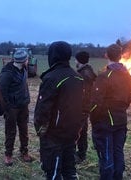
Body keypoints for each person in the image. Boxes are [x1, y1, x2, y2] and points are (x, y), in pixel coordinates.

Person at [34, 41, 83, 179]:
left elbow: (43, 110)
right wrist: (78, 127)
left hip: (54, 135)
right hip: (72, 132)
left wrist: (41, 131)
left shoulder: (52, 78)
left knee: (53, 170)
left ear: (53, 56)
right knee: (69, 169)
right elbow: (84, 107)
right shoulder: (77, 77)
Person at [90, 44, 131, 180]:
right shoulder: (128, 76)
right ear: (120, 56)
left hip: (105, 122)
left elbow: (96, 102)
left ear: (106, 55)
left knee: (107, 155)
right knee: (118, 152)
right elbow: (129, 99)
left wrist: (94, 118)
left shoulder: (104, 76)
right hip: (121, 120)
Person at [0, 49, 33, 165]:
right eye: (27, 59)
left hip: (23, 105)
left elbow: (24, 85)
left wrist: (26, 99)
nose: (28, 61)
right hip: (12, 108)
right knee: (10, 132)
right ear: (23, 61)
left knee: (24, 130)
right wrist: (8, 108)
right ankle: (8, 154)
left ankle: (24, 152)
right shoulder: (7, 73)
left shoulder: (24, 69)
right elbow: (2, 92)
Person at [74, 51, 96, 163]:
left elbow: (84, 93)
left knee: (76, 132)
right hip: (86, 107)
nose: (74, 61)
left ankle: (79, 155)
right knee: (82, 131)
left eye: (76, 59)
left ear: (79, 60)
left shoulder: (82, 75)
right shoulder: (90, 72)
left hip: (81, 107)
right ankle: (81, 153)